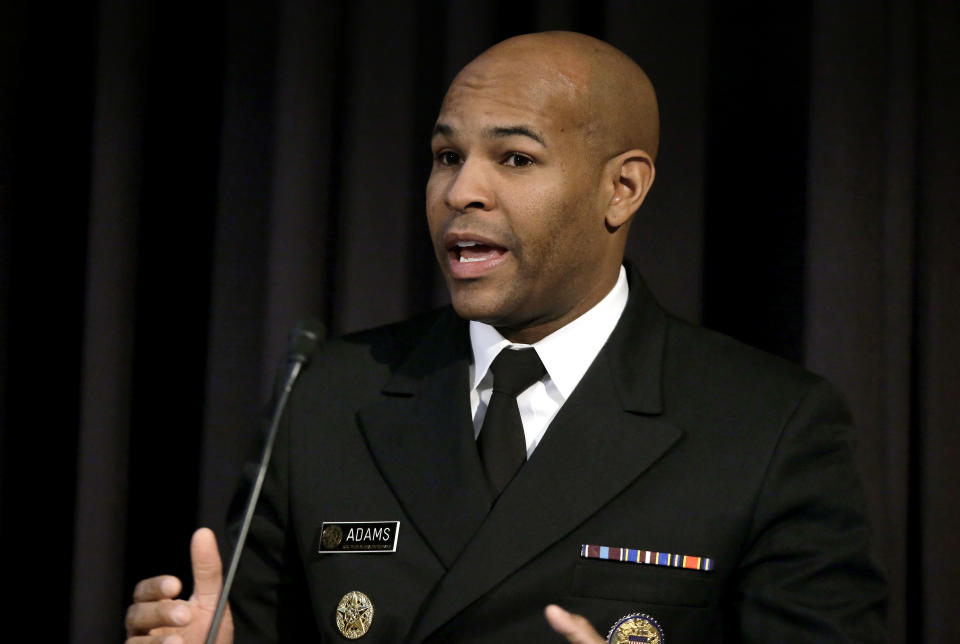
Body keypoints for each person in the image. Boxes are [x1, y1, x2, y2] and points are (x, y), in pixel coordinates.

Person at [125, 31, 886, 643]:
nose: (461, 191)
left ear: (621, 188)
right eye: (447, 157)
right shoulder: (328, 391)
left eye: (515, 159)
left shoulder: (768, 426)